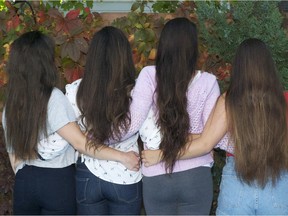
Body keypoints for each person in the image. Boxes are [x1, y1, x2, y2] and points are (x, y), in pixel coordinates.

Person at [142, 38, 288, 215]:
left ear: (238, 67)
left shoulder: (229, 101)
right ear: (269, 67)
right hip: (278, 182)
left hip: (238, 181)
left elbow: (205, 143)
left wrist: (162, 155)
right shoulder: (284, 100)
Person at [2, 31, 140, 215]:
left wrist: (24, 174)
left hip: (25, 182)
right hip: (57, 182)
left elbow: (13, 154)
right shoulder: (53, 99)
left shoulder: (10, 105)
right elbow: (79, 143)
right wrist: (123, 157)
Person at [133, 17, 221, 215]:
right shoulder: (208, 83)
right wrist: (200, 136)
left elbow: (135, 121)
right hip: (196, 175)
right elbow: (211, 136)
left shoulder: (148, 75)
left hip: (156, 176)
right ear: (193, 49)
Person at [65, 26, 143, 215]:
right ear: (124, 56)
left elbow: (77, 141)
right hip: (126, 174)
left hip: (88, 175)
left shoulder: (75, 91)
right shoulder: (138, 92)